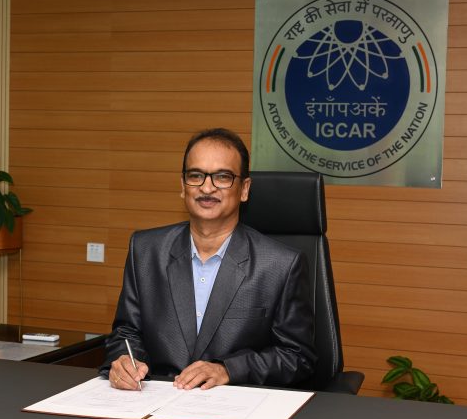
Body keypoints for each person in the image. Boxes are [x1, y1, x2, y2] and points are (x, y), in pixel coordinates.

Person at [100, 128, 316, 391]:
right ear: (183, 186)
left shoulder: (281, 264)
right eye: (196, 175)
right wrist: (124, 361)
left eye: (223, 177)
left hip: (233, 405)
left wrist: (229, 369)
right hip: (155, 400)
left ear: (244, 189)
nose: (207, 187)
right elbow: (126, 333)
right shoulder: (145, 250)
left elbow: (297, 357)